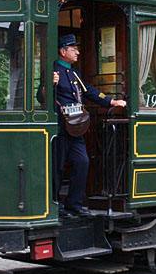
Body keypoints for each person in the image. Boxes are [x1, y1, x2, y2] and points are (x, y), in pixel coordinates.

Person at [53, 34, 126, 217]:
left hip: (76, 127)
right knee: (58, 166)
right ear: (63, 51)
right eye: (73, 49)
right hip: (60, 128)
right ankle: (55, 205)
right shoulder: (53, 71)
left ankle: (74, 204)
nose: (77, 52)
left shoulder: (73, 73)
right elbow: (40, 97)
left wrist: (110, 102)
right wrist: (49, 86)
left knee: (82, 162)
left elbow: (89, 91)